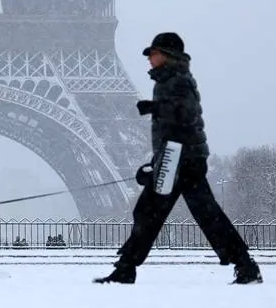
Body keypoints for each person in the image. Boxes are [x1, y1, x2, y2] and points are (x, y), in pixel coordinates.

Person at [94, 32, 263, 285]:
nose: (149, 58)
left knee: (158, 213)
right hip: (178, 158)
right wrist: (155, 163)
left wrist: (155, 108)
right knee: (172, 213)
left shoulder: (178, 80)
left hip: (184, 160)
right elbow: (174, 129)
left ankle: (127, 268)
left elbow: (186, 115)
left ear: (167, 55)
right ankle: (244, 265)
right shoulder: (167, 80)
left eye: (153, 53)